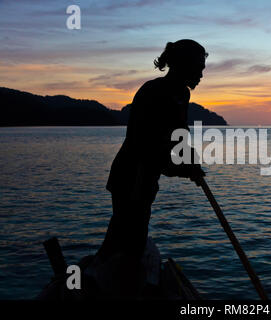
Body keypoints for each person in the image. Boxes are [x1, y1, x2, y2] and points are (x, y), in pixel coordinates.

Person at [95, 40, 207, 290]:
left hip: (146, 178)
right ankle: (99, 284)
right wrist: (178, 168)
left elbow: (180, 135)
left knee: (129, 238)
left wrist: (191, 162)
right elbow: (143, 143)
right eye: (198, 67)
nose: (201, 74)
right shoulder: (152, 91)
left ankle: (103, 280)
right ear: (182, 65)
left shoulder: (182, 94)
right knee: (127, 241)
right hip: (130, 176)